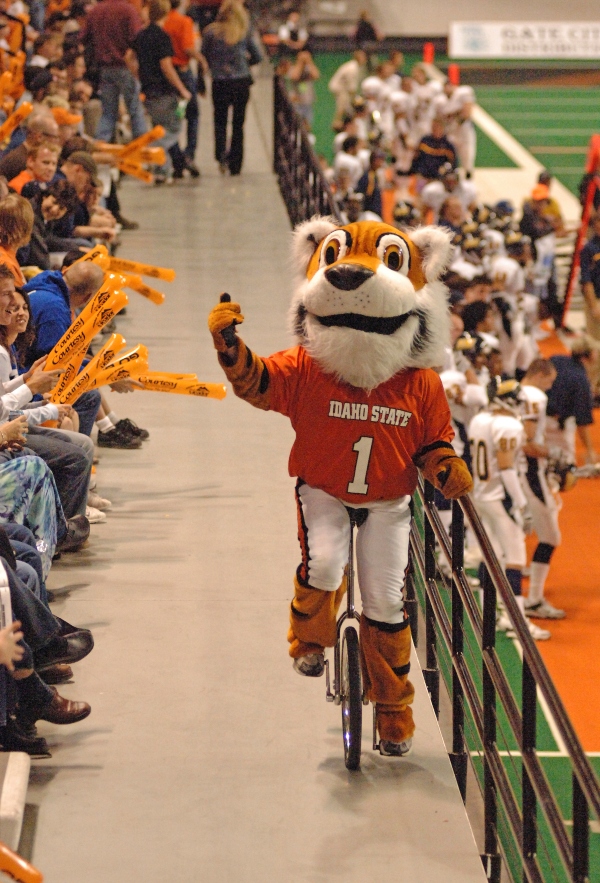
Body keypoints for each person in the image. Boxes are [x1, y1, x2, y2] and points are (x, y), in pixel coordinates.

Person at [468, 380, 550, 641]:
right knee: (515, 557)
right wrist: (521, 503)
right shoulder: (508, 425)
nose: (518, 403)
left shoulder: (481, 420)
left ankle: (486, 615)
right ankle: (516, 621)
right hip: (499, 496)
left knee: (489, 552)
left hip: (481, 493)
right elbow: (506, 467)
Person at [518, 358, 565, 620]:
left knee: (522, 529)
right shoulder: (534, 396)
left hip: (516, 471)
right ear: (540, 374)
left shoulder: (516, 390)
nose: (549, 387)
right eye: (549, 381)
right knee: (550, 537)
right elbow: (527, 443)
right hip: (529, 470)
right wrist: (553, 452)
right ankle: (533, 600)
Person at [132, 0, 193, 184]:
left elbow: (129, 56)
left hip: (148, 90)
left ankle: (161, 170)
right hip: (163, 90)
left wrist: (139, 75)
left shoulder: (141, 35)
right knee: (172, 129)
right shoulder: (162, 36)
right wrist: (182, 89)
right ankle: (149, 152)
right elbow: (166, 66)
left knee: (158, 129)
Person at [202, 0, 262, 176]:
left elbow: (204, 57)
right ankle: (236, 163)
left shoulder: (210, 33)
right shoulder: (243, 33)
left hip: (220, 82)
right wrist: (244, 64)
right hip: (240, 81)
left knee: (220, 121)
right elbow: (257, 57)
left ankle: (220, 156)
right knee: (238, 123)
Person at [80, 0, 148, 143]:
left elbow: (84, 37)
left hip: (105, 68)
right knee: (135, 111)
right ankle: (141, 148)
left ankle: (100, 146)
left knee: (108, 112)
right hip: (126, 67)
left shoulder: (96, 10)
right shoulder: (128, 10)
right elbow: (138, 38)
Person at [164, 0, 206, 176]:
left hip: (166, 75)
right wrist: (201, 59)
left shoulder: (163, 22)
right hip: (182, 73)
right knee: (192, 114)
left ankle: (176, 156)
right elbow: (188, 47)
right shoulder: (184, 22)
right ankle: (188, 154)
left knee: (171, 117)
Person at [546, 337, 599, 466]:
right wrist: (590, 450)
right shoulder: (581, 381)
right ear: (590, 354)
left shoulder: (556, 359)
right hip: (556, 423)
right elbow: (582, 421)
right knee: (565, 465)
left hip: (536, 414)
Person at [579, 211, 600, 399]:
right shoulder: (589, 249)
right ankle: (590, 389)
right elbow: (586, 281)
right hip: (597, 301)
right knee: (596, 346)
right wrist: (594, 306)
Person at [328, 49, 366, 129]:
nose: (364, 59)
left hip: (342, 88)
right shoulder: (353, 68)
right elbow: (351, 87)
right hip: (340, 88)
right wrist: (355, 98)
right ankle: (337, 123)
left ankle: (344, 122)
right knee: (343, 103)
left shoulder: (356, 67)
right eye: (363, 57)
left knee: (346, 105)